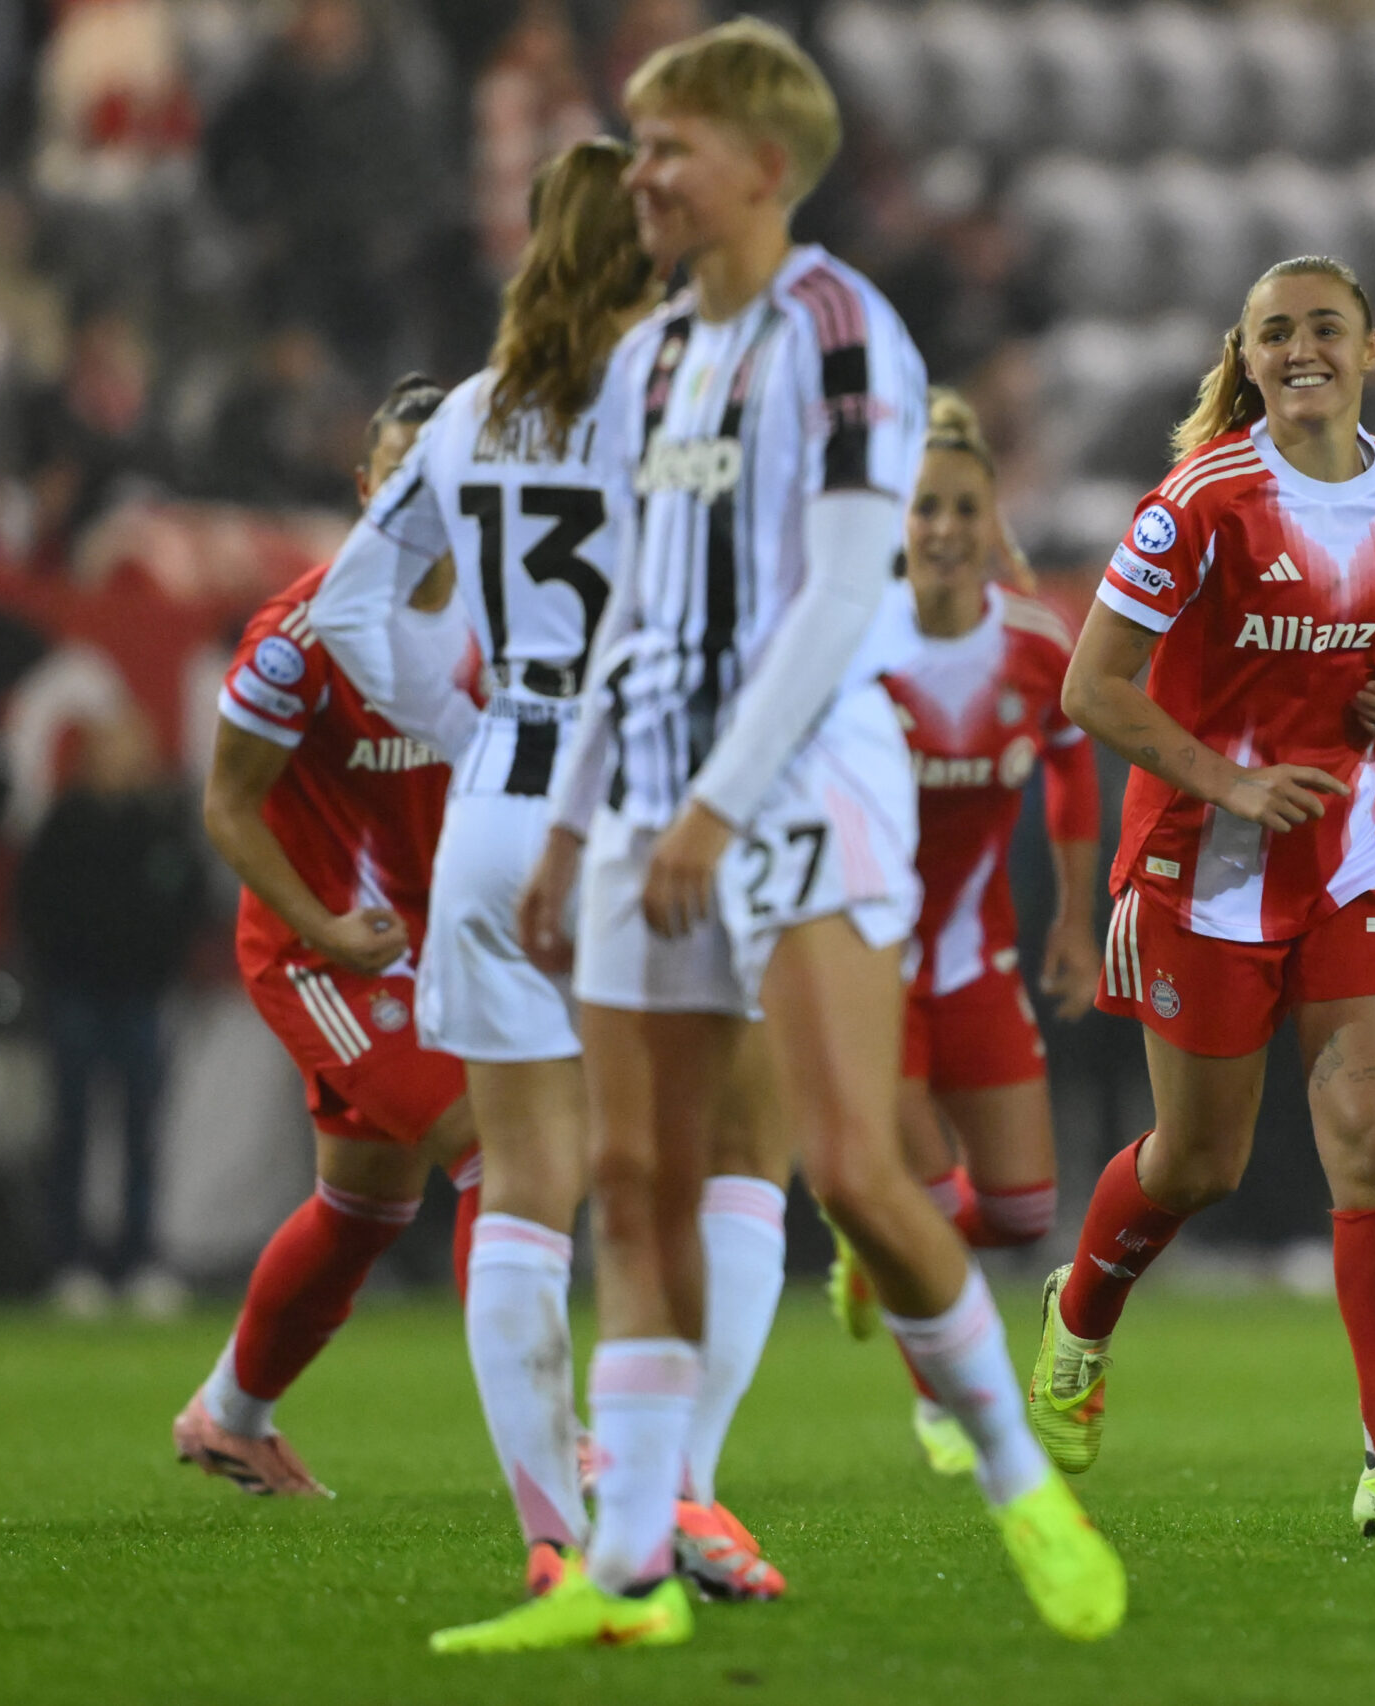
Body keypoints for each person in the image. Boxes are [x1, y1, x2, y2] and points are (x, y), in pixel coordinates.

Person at [445, 21, 1123, 1652]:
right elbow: (631, 617)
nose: (643, 176)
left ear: (761, 165)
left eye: (667, 148)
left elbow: (834, 599)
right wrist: (574, 824)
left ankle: (1027, 1487)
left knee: (854, 1171)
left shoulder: (843, 335)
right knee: (635, 1175)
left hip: (803, 786)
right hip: (649, 798)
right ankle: (619, 1575)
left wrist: (712, 804)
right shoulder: (652, 358)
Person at [310, 138, 788, 1602]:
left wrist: (460, 718)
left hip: (505, 803)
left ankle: (550, 1534)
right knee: (734, 1158)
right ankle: (689, 1495)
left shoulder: (464, 415)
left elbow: (346, 607)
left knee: (523, 1188)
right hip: (652, 803)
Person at [1030, 253, 1375, 1539]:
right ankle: (1080, 1313)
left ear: (1370, 349)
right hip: (1208, 857)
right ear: (1247, 358)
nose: (1302, 349)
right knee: (1200, 1160)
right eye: (1275, 332)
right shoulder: (1200, 500)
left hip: (1353, 845)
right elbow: (1092, 686)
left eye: (1325, 328)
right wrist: (1226, 787)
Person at [170, 375, 481, 1498]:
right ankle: (557, 1448)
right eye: (394, 475)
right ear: (364, 488)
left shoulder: (501, 616)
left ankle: (229, 1413)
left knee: (366, 1206)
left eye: (435, 473)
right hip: (319, 949)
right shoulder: (302, 634)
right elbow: (227, 804)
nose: (414, 496)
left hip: (435, 940)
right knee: (492, 1140)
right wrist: (323, 927)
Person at [844, 389, 1102, 1475]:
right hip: (863, 966)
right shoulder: (850, 643)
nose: (943, 528)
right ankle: (945, 1401)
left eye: (962, 506)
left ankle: (872, 1249)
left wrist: (1076, 923)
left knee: (1019, 1208)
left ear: (992, 517)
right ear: (895, 524)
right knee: (917, 1196)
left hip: (977, 954)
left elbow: (1073, 764)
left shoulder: (1034, 647)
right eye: (923, 509)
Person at [16, 704, 207, 1318]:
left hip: (141, 997)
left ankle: (140, 1259)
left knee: (142, 1132)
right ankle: (69, 1261)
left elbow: (189, 900)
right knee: (71, 1128)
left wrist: (160, 964)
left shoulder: (163, 822)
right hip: (77, 995)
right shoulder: (66, 823)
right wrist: (64, 967)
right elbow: (35, 905)